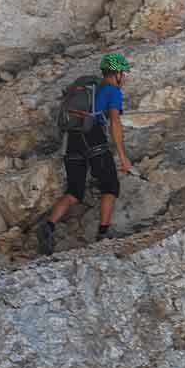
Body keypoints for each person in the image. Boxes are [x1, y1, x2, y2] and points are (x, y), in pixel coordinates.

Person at [37, 53, 133, 254]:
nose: (124, 76)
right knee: (110, 186)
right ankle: (103, 234)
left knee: (74, 191)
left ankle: (48, 226)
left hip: (71, 139)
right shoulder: (112, 91)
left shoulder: (91, 88)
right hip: (93, 138)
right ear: (116, 73)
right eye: (123, 72)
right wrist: (123, 157)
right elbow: (115, 122)